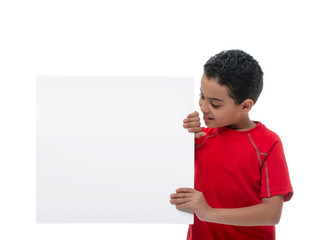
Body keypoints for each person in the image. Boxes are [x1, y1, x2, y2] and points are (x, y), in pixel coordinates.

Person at [170, 49, 293, 240]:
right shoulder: (199, 138)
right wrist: (180, 132)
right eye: (202, 96)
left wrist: (208, 212)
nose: (203, 107)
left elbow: (272, 214)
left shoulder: (268, 143)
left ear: (245, 106)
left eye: (215, 104)